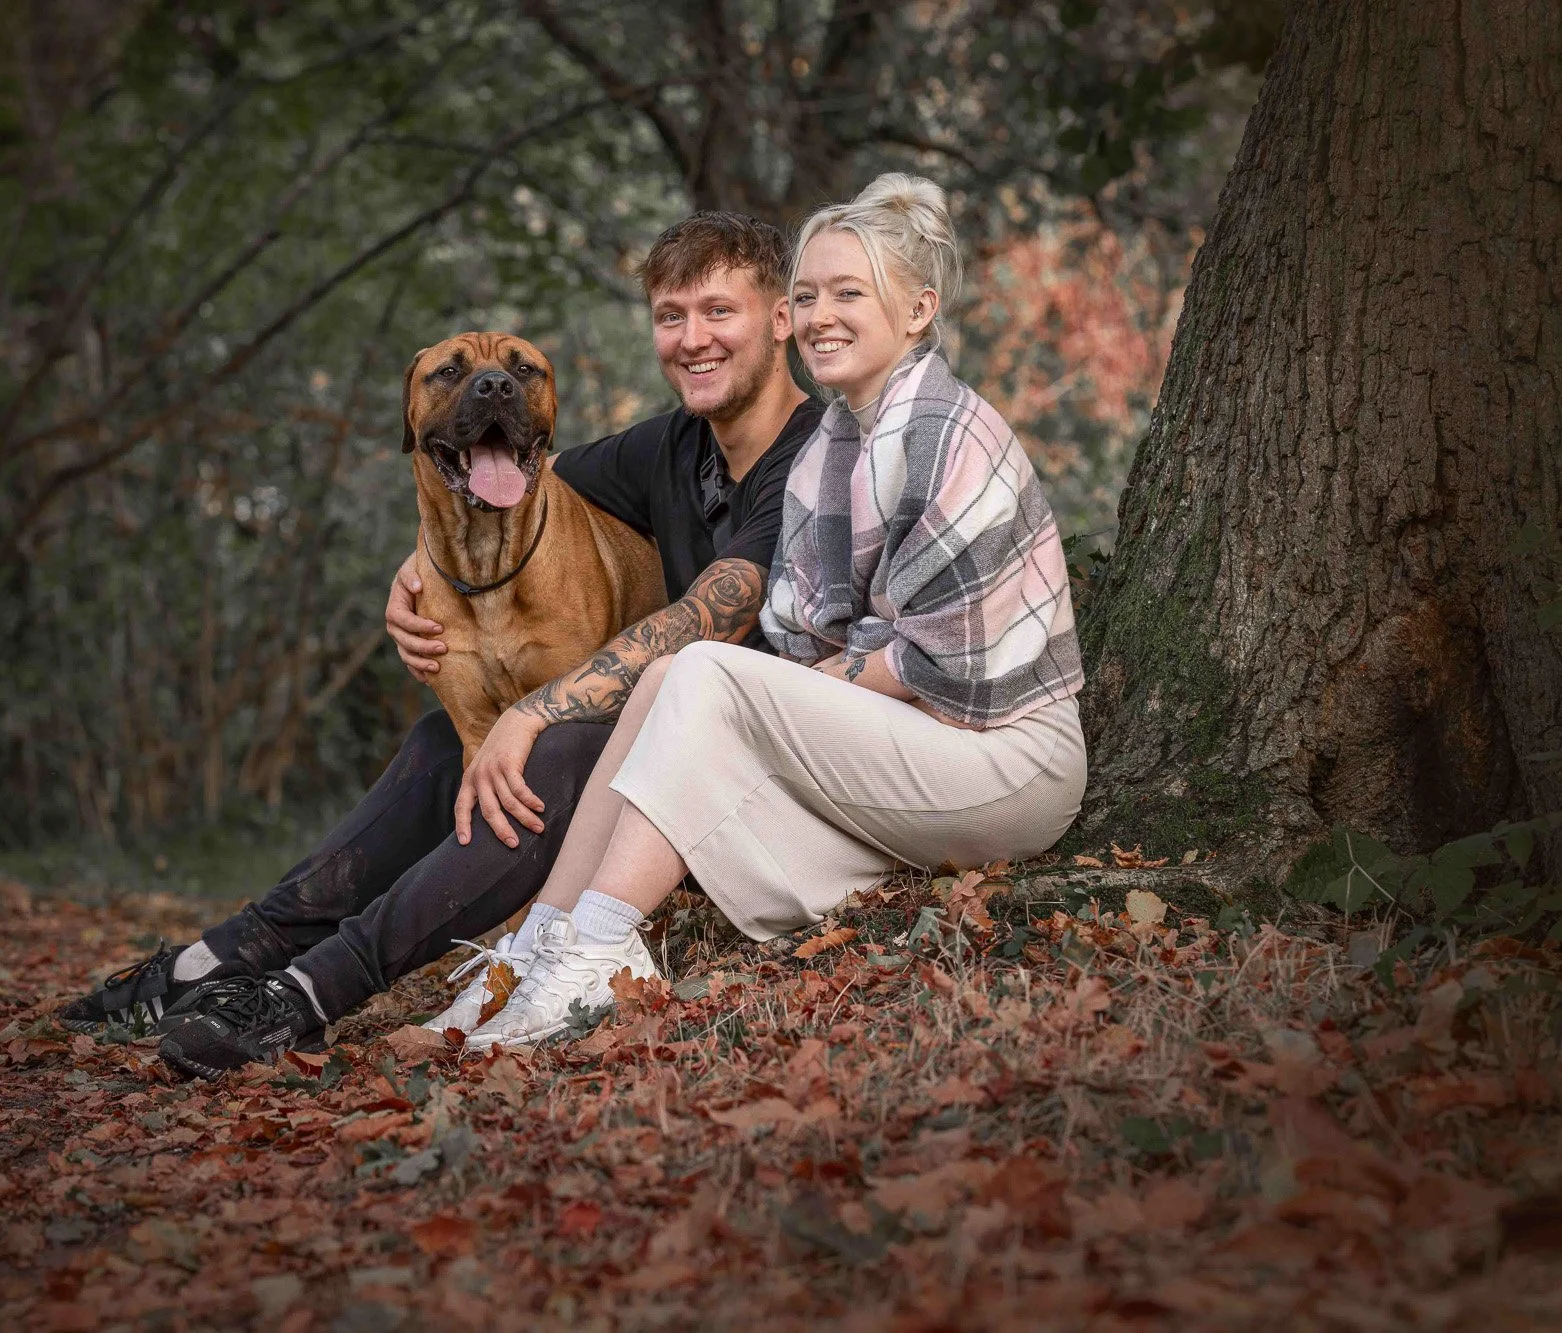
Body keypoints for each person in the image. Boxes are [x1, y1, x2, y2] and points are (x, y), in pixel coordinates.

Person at [55, 212, 823, 1079]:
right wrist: (417, 571)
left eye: (719, 312)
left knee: (546, 752)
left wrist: (529, 711)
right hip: (670, 779)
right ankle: (223, 958)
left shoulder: (820, 458)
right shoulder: (674, 445)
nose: (692, 339)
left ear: (783, 318)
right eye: (671, 316)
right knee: (439, 742)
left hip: (772, 791)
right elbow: (517, 481)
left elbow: (712, 614)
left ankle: (309, 994)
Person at [459, 173, 1090, 1048]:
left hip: (1011, 759)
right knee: (685, 672)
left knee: (710, 668)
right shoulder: (837, 442)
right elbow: (806, 628)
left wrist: (821, 679)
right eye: (808, 294)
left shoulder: (945, 428)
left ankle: (597, 948)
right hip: (920, 742)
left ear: (917, 312)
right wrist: (425, 565)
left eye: (848, 293)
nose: (822, 313)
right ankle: (535, 951)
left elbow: (946, 659)